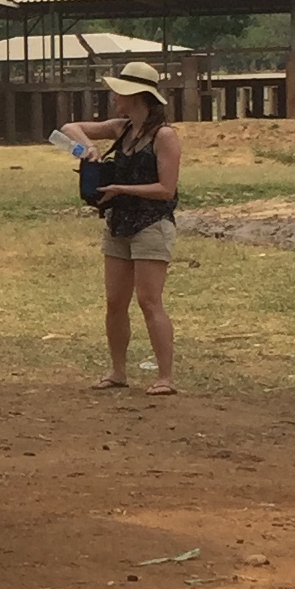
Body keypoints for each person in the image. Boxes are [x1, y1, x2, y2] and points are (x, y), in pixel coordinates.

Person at [51, 64, 183, 393]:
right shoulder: (121, 129)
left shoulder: (164, 136)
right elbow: (68, 129)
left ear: (137, 97)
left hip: (151, 223)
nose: (113, 97)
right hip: (118, 222)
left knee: (149, 301)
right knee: (114, 302)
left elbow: (166, 189)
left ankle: (165, 377)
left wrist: (121, 189)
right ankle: (118, 371)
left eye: (119, 92)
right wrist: (89, 149)